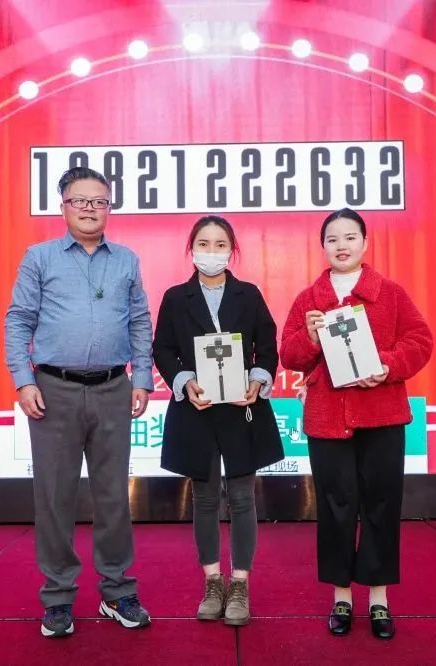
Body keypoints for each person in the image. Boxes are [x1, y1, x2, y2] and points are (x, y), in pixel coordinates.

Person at [4, 166, 154, 638]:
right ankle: (58, 598)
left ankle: (118, 591)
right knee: (54, 497)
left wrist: (142, 379)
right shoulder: (39, 258)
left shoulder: (126, 260)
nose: (90, 208)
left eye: (99, 201)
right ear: (63, 206)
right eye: (80, 200)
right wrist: (23, 381)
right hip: (53, 391)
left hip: (113, 388)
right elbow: (18, 320)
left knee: (114, 497)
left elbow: (139, 321)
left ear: (110, 208)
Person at [279, 207, 433, 639]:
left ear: (365, 243)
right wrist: (309, 337)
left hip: (382, 416)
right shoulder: (309, 300)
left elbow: (421, 340)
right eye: (332, 239)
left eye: (350, 237)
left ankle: (379, 599)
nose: (341, 245)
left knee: (382, 504)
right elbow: (288, 355)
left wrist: (388, 365)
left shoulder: (390, 293)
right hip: (328, 419)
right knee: (335, 506)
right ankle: (341, 597)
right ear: (323, 246)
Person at [152, 215, 284, 627]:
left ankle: (240, 584)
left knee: (243, 499)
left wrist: (258, 381)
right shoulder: (177, 298)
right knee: (205, 500)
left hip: (241, 410)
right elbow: (162, 349)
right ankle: (212, 582)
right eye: (204, 244)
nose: (212, 252)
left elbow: (267, 345)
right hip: (197, 409)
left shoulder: (249, 294)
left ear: (232, 250)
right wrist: (184, 381)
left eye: (220, 244)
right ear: (192, 250)